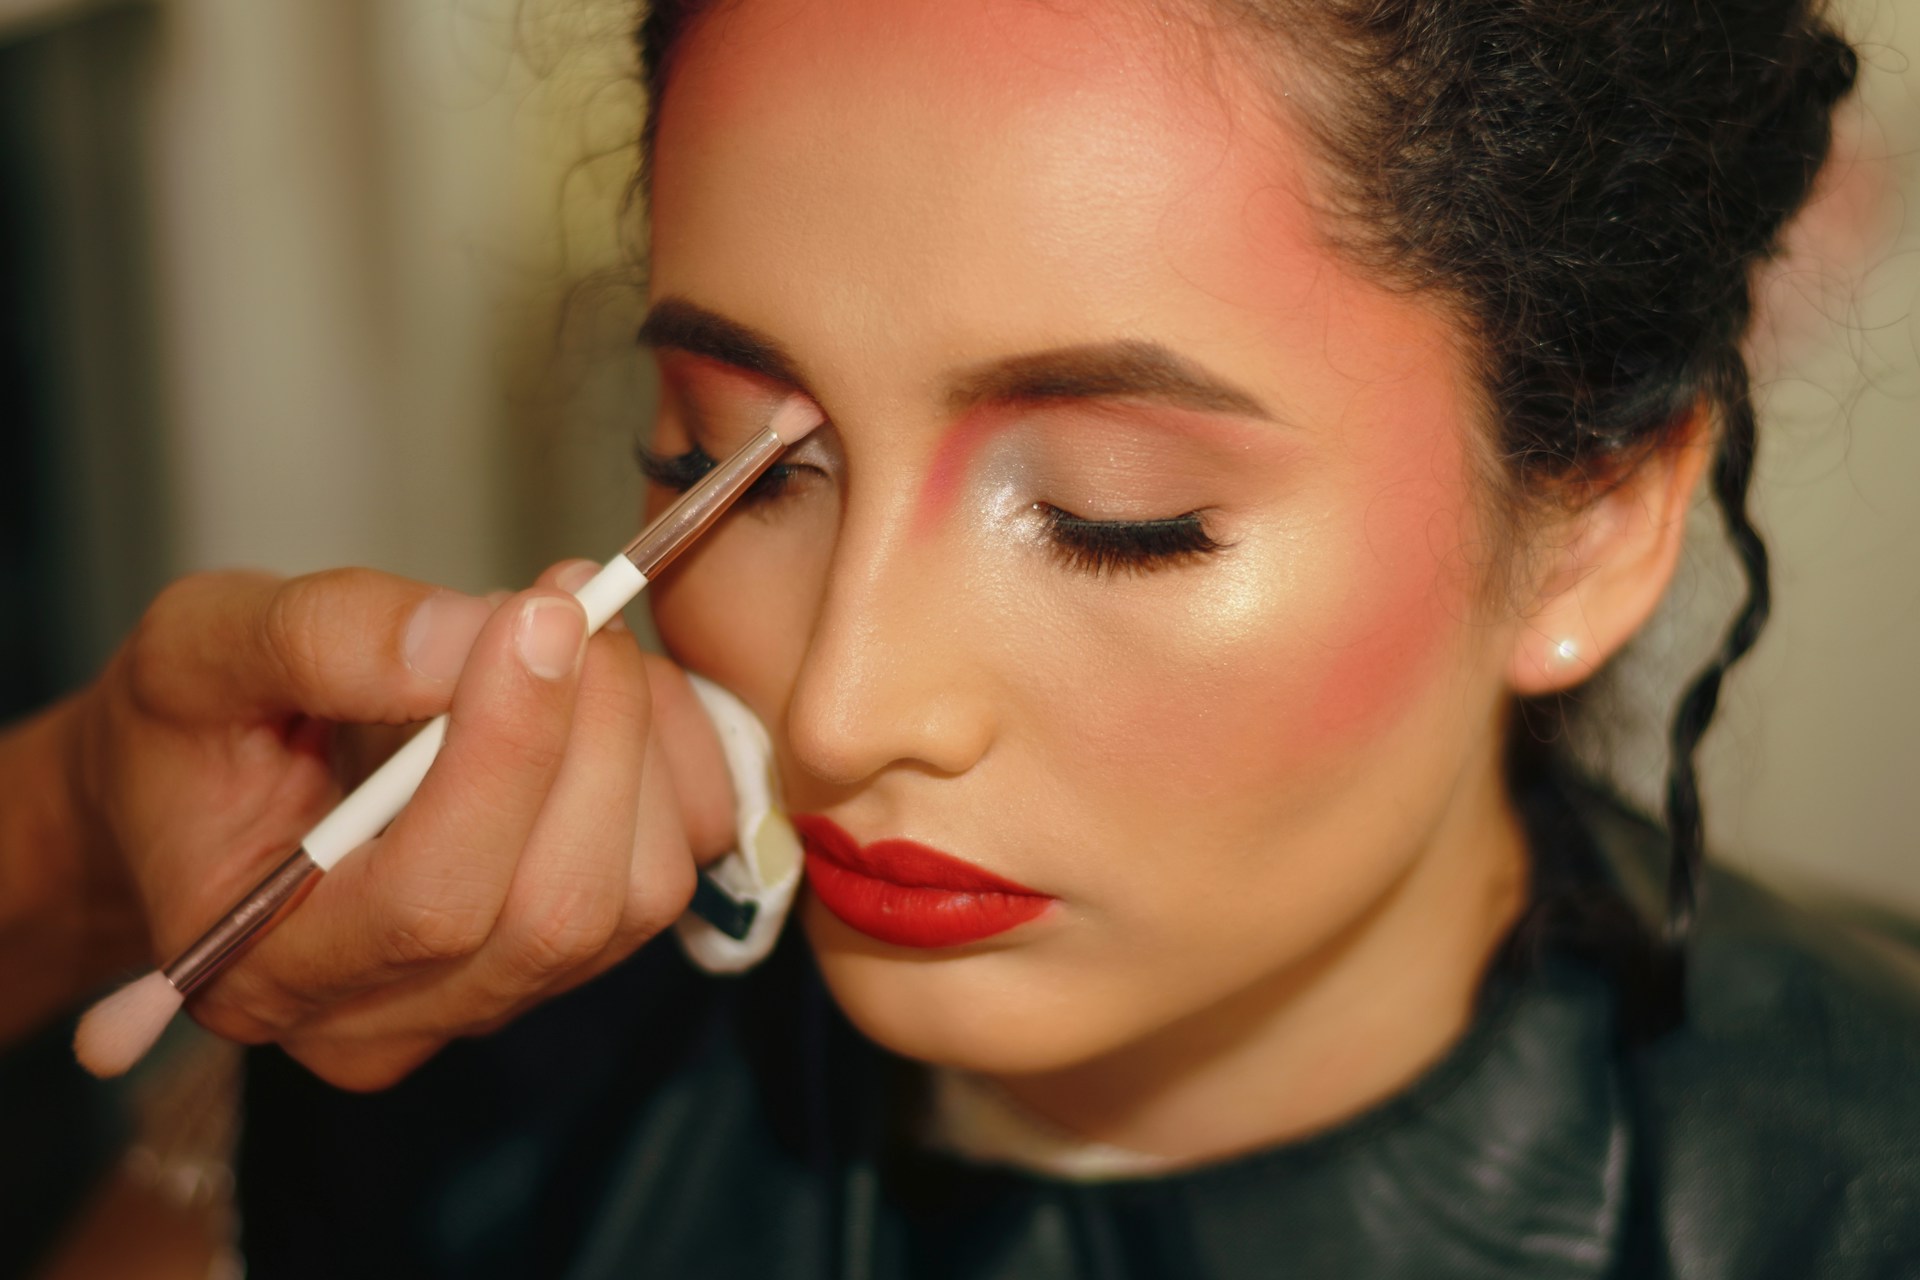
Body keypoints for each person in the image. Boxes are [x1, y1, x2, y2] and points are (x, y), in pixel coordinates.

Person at [3, 0, 1916, 1275]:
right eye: (736, 473)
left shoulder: (1845, 1188)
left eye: (1113, 515)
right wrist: (76, 843)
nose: (841, 707)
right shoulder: (454, 1070)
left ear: (1590, 521)